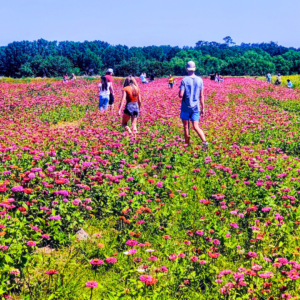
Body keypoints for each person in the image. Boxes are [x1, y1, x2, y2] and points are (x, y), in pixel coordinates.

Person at [179, 61, 208, 150]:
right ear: (194, 68)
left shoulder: (184, 80)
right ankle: (204, 142)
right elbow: (201, 95)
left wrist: (180, 92)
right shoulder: (200, 80)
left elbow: (180, 95)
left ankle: (187, 145)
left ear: (186, 69)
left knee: (186, 126)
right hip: (196, 107)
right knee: (196, 126)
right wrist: (203, 108)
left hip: (185, 107)